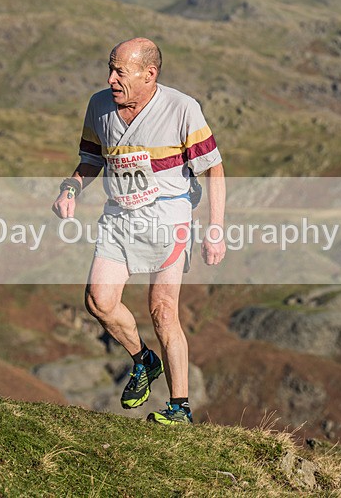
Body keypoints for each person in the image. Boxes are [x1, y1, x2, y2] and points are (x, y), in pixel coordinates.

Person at [52, 38, 226, 425]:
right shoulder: (99, 106)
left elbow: (214, 167)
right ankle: (144, 360)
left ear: (150, 75)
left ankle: (179, 408)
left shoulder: (183, 109)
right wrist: (70, 189)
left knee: (163, 312)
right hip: (119, 218)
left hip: (170, 218)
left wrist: (216, 230)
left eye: (120, 72)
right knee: (99, 301)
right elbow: (90, 159)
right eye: (109, 69)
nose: (111, 79)